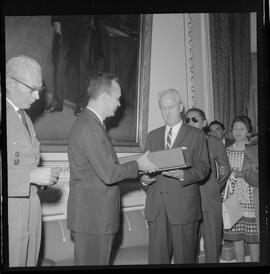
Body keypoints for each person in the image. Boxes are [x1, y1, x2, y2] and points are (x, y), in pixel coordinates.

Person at [67, 72, 158, 265]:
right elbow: (109, 174)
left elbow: (103, 170)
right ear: (104, 97)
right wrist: (139, 164)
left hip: (95, 217)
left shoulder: (92, 124)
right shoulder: (90, 127)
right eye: (117, 98)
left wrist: (138, 174)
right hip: (93, 219)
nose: (119, 104)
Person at [141, 89, 210, 264]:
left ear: (180, 107)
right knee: (157, 260)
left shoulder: (196, 135)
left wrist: (184, 174)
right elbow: (144, 169)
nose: (167, 112)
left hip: (184, 206)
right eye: (163, 108)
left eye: (170, 107)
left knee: (185, 259)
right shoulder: (152, 136)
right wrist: (144, 180)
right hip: (156, 207)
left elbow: (204, 168)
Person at [6, 55, 60, 267]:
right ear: (10, 82)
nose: (38, 96)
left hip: (32, 207)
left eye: (40, 88)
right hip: (12, 211)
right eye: (32, 88)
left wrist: (41, 178)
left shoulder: (25, 117)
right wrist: (29, 176)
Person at [185, 108, 230, 263]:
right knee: (189, 246)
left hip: (209, 200)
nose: (190, 122)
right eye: (187, 120)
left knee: (212, 244)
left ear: (204, 123)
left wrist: (214, 188)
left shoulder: (214, 142)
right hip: (188, 202)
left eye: (195, 119)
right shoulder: (181, 143)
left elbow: (224, 170)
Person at [222, 115, 259, 262]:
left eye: (242, 128)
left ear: (249, 132)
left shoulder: (254, 150)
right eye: (235, 128)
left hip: (251, 195)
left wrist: (242, 174)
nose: (238, 131)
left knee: (252, 238)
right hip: (233, 196)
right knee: (237, 236)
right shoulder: (226, 151)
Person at [45, 16, 95, 116]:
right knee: (60, 65)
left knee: (83, 67)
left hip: (84, 24)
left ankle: (82, 105)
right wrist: (56, 20)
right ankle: (57, 103)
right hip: (66, 23)